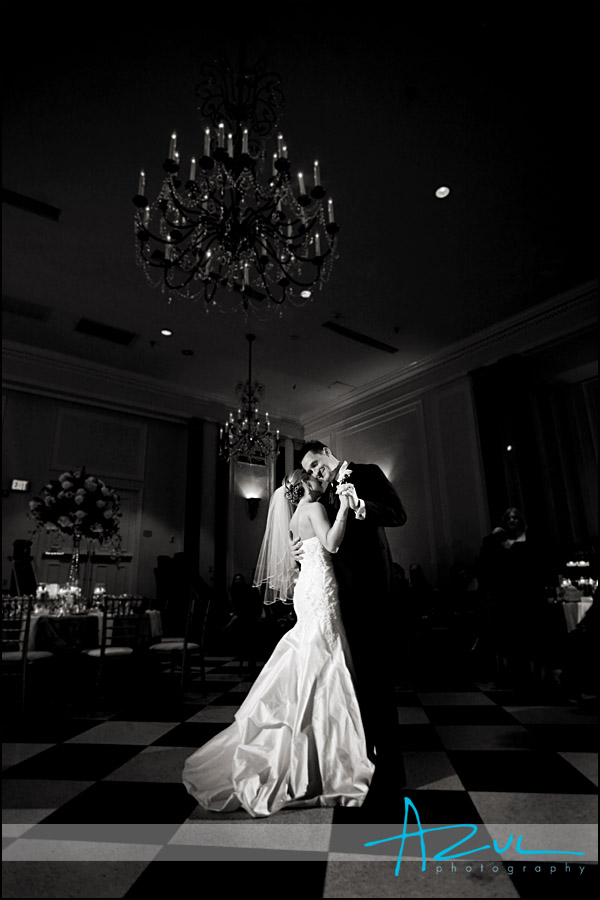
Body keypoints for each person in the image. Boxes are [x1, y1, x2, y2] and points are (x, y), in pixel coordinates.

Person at [182, 469, 374, 817]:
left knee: (312, 649)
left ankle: (312, 732)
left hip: (307, 589)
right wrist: (344, 508)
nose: (321, 481)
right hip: (320, 587)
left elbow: (301, 554)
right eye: (314, 480)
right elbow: (331, 544)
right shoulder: (315, 508)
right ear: (302, 486)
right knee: (324, 653)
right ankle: (328, 747)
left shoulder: (294, 517)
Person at [295, 440, 407, 797]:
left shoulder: (368, 473)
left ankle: (389, 769)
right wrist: (300, 549)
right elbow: (321, 541)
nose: (315, 472)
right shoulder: (319, 496)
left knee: (376, 678)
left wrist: (360, 506)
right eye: (309, 470)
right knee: (350, 682)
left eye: (316, 463)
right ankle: (358, 756)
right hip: (336, 600)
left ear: (327, 451)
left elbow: (397, 513)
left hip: (370, 592)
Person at [477, 507, 550, 686]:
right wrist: (493, 538)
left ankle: (535, 677)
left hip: (528, 593)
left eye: (515, 517)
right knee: (508, 636)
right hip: (506, 595)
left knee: (530, 636)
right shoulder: (497, 540)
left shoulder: (530, 539)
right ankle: (509, 675)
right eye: (508, 517)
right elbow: (486, 561)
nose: (512, 520)